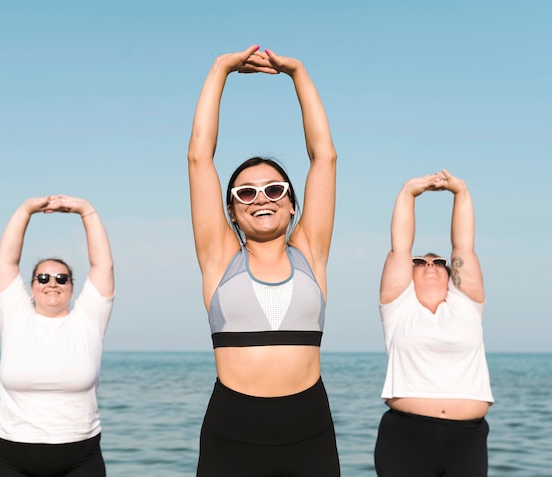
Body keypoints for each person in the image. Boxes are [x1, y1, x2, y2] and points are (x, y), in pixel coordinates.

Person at [187, 45, 339, 476]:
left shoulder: (311, 253)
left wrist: (298, 73)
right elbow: (199, 158)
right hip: (232, 431)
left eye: (274, 190)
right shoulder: (219, 258)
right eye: (245, 193)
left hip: (310, 429)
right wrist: (220, 69)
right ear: (231, 211)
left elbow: (324, 157)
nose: (261, 199)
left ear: (292, 203)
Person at [0, 195, 115, 477]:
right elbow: (6, 262)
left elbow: (102, 265)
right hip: (10, 458)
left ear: (71, 287)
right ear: (30, 287)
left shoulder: (89, 319)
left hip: (80, 458)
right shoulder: (15, 315)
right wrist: (25, 210)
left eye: (61, 278)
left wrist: (86, 210)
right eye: (43, 278)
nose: (51, 284)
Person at [374, 170, 494, 477]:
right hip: (405, 438)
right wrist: (407, 192)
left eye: (437, 262)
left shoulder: (466, 305)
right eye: (420, 261)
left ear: (449, 272)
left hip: (467, 440)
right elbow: (400, 247)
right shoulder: (397, 308)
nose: (429, 265)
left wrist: (461, 191)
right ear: (407, 273)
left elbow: (463, 247)